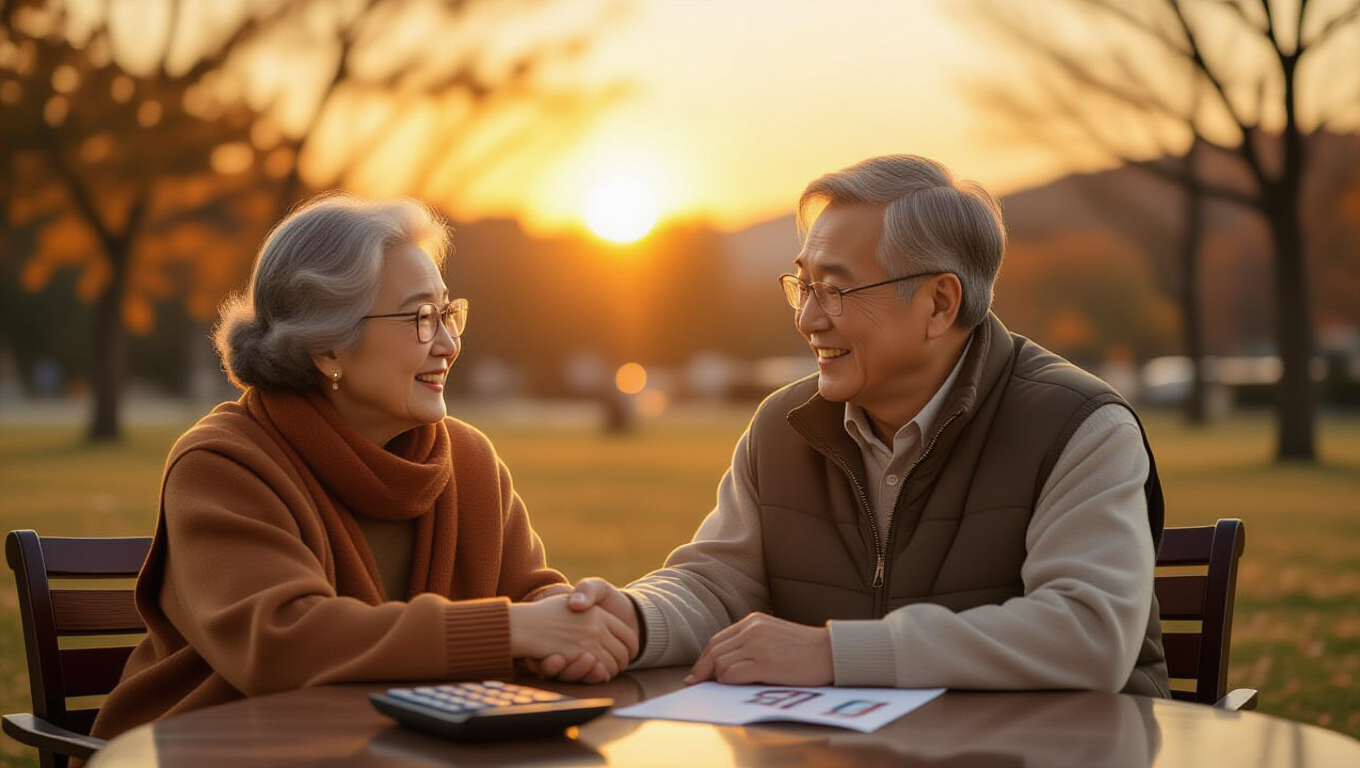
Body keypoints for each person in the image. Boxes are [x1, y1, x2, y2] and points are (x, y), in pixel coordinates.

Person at [545, 154, 1169, 696]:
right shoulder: (782, 429)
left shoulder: (1079, 427)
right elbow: (717, 583)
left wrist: (835, 654)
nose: (808, 319)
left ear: (939, 303)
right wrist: (632, 617)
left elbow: (1088, 634)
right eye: (803, 286)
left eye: (835, 290)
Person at [91, 192, 635, 740]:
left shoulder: (469, 461)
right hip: (216, 752)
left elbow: (528, 594)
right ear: (327, 346)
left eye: (448, 312)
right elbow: (282, 644)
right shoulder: (221, 465)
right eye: (421, 317)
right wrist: (511, 629)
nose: (447, 343)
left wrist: (567, 614)